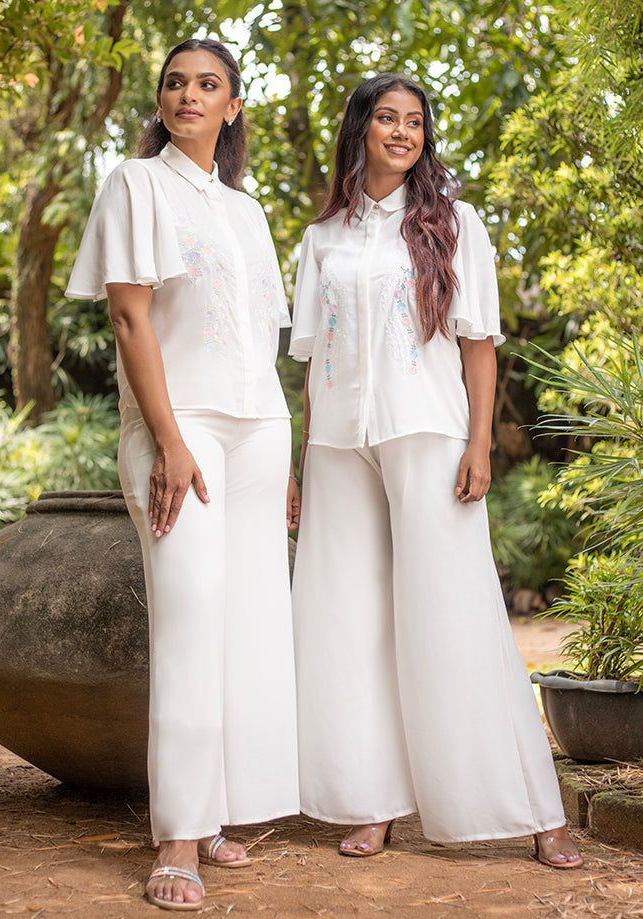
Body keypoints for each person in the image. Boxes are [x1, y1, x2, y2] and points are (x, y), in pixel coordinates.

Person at [289, 73, 582, 870]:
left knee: (455, 613)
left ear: (425, 136)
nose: (400, 132)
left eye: (413, 122)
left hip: (431, 434)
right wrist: (304, 462)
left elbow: (479, 347)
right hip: (339, 446)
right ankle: (373, 802)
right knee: (350, 622)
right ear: (360, 130)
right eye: (385, 118)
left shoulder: (455, 224)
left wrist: (478, 443)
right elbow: (312, 364)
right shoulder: (324, 237)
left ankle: (533, 809)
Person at [66, 38, 300, 911]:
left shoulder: (249, 214)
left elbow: (263, 345)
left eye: (208, 85)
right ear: (161, 101)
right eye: (175, 83)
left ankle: (214, 814)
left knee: (244, 622)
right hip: (181, 429)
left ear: (233, 107)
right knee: (192, 613)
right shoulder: (134, 185)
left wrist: (284, 453)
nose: (189, 95)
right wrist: (167, 440)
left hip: (257, 430)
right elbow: (131, 321)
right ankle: (175, 841)